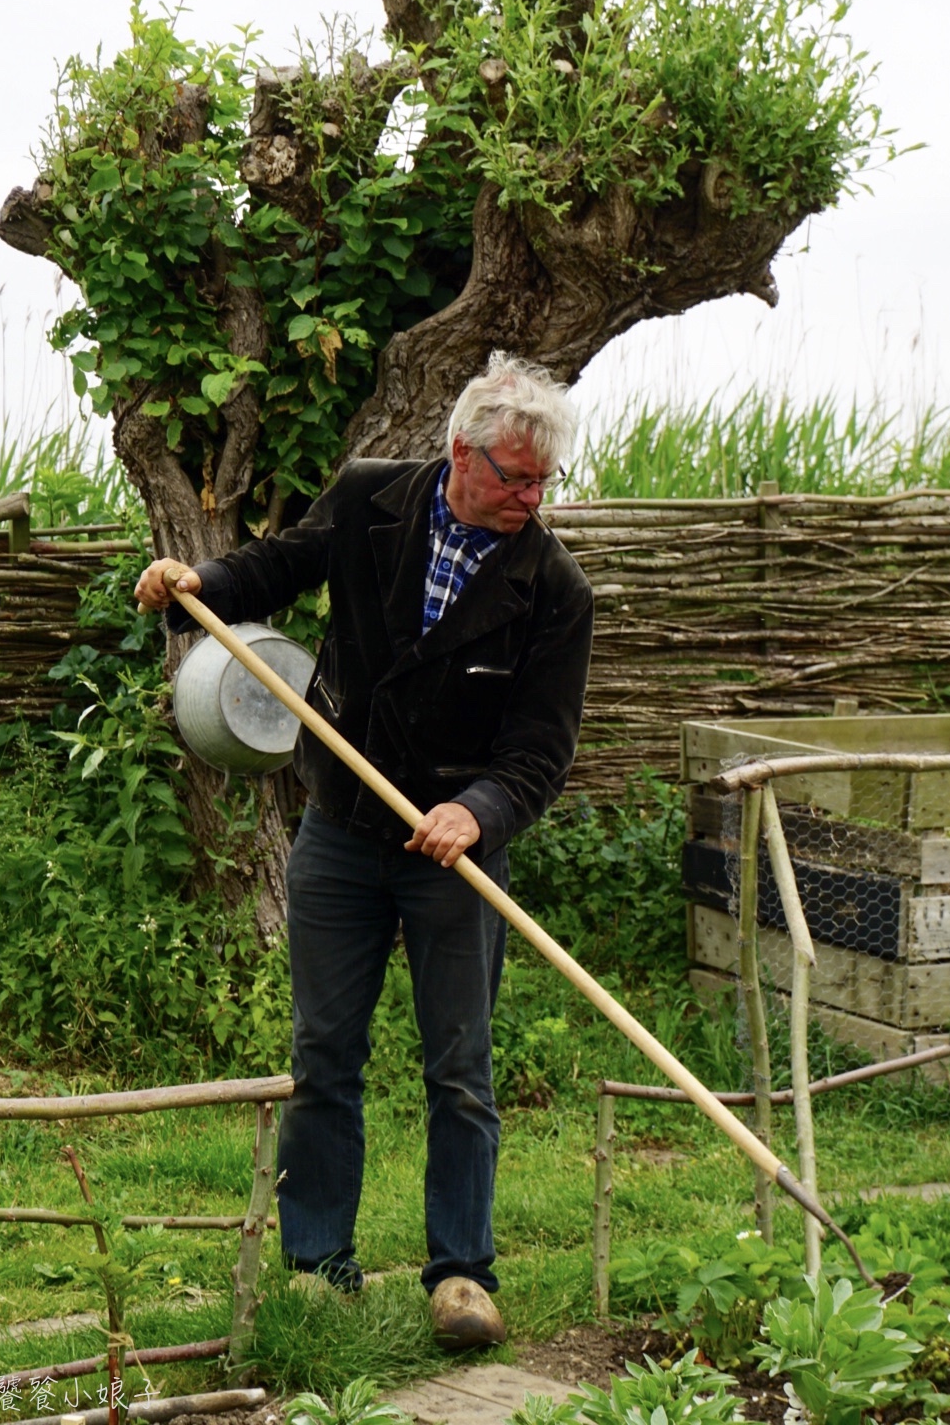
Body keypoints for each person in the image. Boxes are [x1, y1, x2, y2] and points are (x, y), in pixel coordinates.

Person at [134, 353, 593, 1348]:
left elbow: (540, 749)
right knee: (323, 1052)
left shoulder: (551, 587)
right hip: (342, 830)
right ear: (461, 454)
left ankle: (461, 1272)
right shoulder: (370, 498)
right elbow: (275, 568)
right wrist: (196, 581)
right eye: (513, 475)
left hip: (452, 860)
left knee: (461, 1066)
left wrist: (476, 809)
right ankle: (319, 1264)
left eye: (542, 479)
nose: (530, 495)